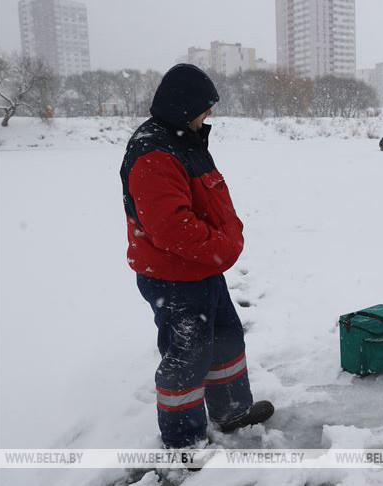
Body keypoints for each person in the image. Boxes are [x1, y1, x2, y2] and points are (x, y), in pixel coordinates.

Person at [119, 64, 274, 449]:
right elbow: (171, 227)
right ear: (184, 106)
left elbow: (209, 202)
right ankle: (183, 443)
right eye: (205, 107)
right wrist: (223, 247)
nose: (210, 115)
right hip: (173, 277)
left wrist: (225, 241)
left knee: (225, 339)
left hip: (201, 270)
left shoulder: (183, 139)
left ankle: (232, 412)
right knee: (187, 357)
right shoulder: (153, 151)